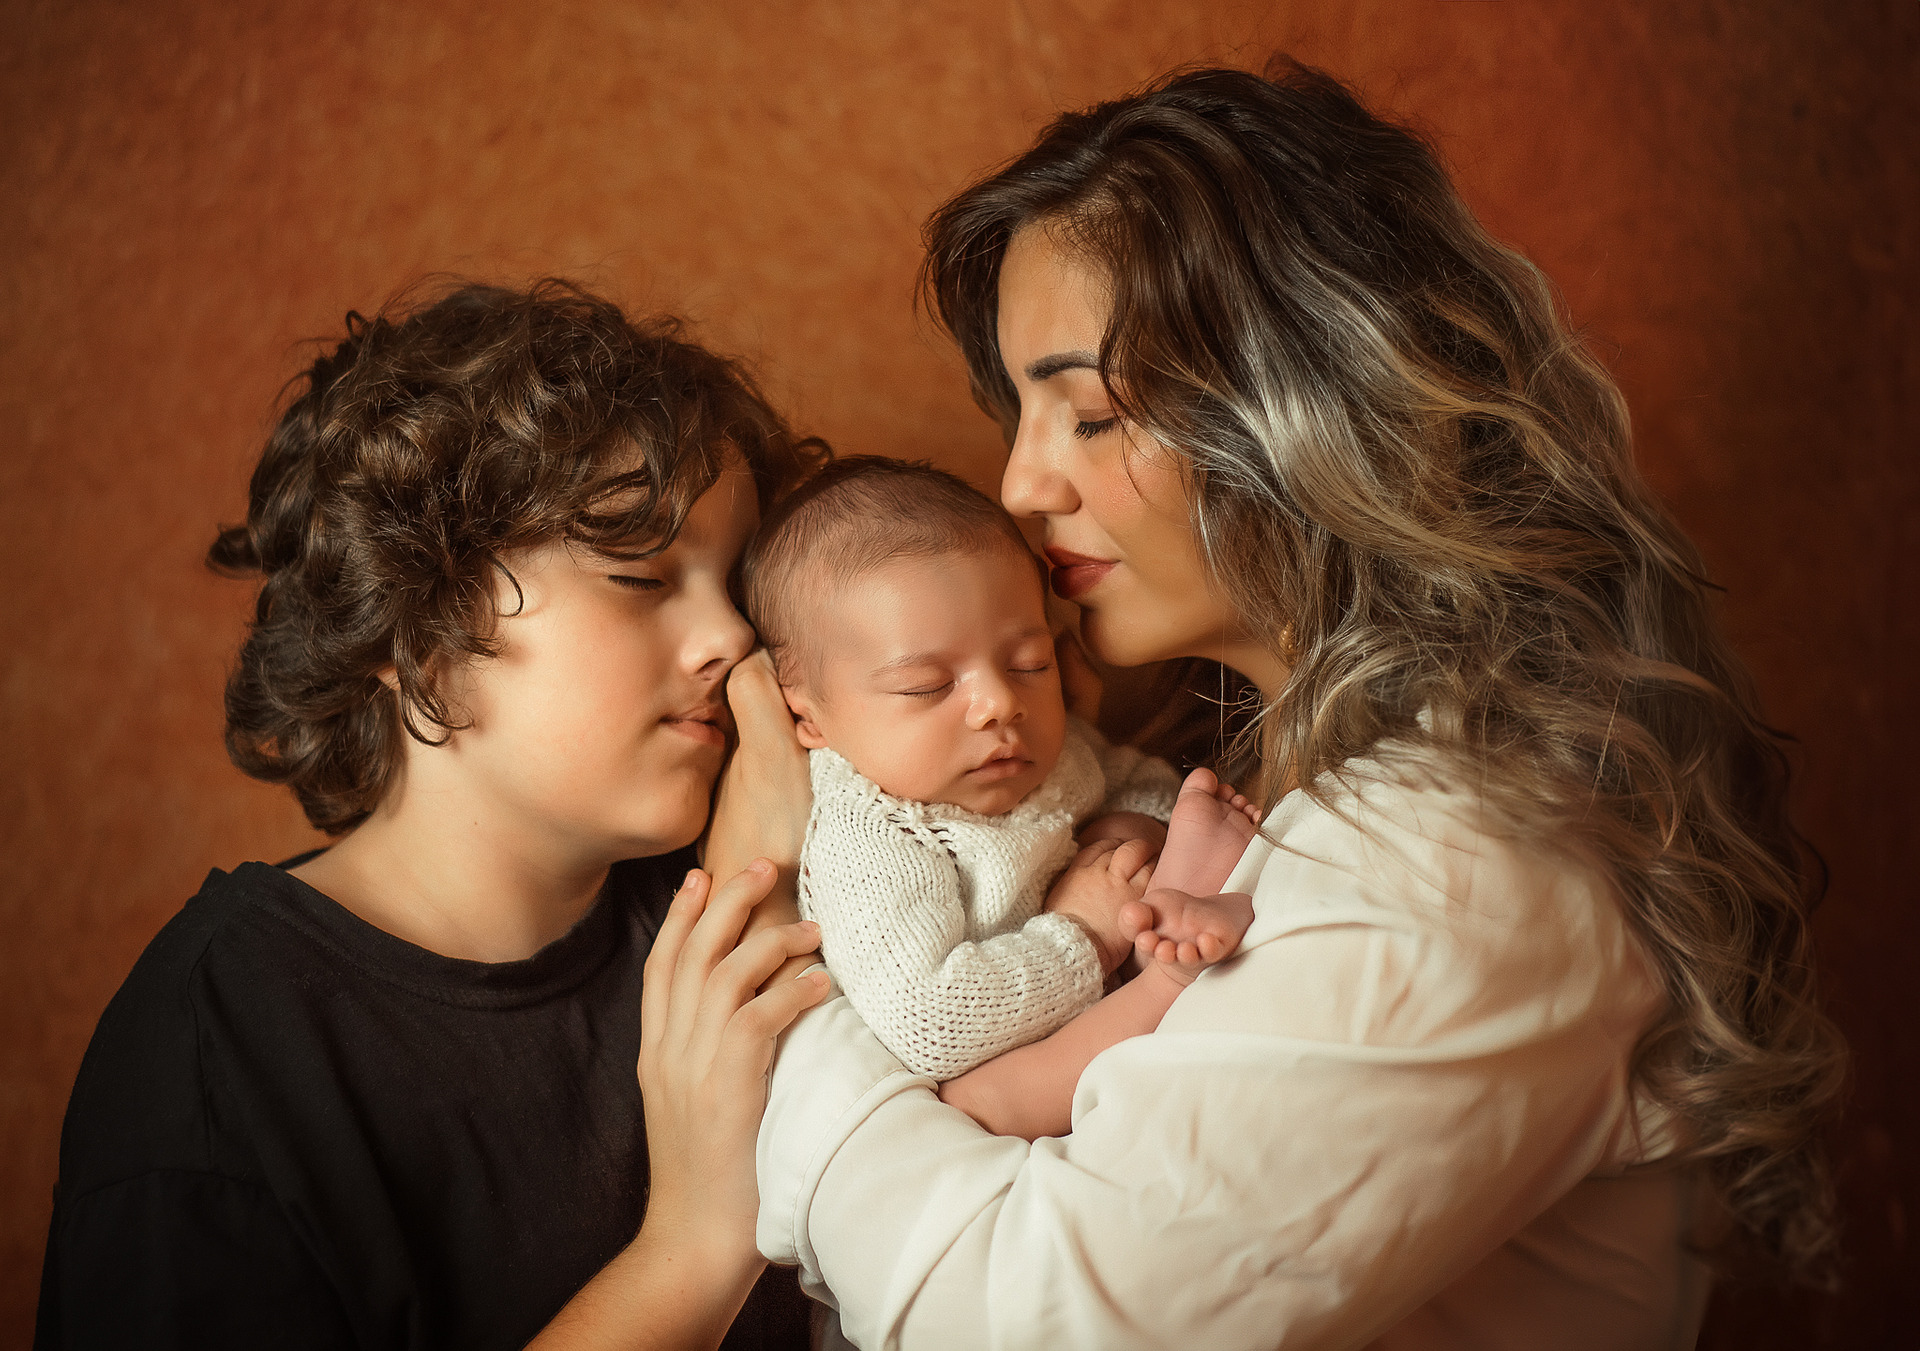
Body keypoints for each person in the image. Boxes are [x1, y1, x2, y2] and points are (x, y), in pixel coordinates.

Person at [742, 62, 1847, 1349]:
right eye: (1023, 412)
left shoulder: (1457, 857)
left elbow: (1025, 1322)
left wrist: (771, 1012)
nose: (1022, 483)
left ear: (1311, 414)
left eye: (1091, 414)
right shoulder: (1198, 775)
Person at [36, 280, 832, 1350]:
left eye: (733, 580)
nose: (731, 634)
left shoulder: (750, 880)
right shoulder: (218, 1058)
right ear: (406, 624)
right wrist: (695, 1240)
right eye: (643, 576)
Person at [738, 456, 1259, 1137]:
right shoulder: (872, 831)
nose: (999, 704)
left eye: (1029, 664)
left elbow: (1133, 778)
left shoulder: (1050, 751)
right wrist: (1085, 935)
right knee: (978, 1097)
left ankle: (1176, 905)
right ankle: (1163, 976)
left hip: (1099, 987)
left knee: (1164, 821)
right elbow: (930, 1020)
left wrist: (1125, 830)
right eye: (927, 685)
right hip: (979, 1076)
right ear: (811, 717)